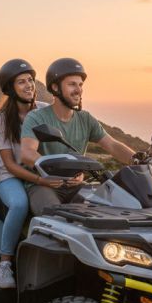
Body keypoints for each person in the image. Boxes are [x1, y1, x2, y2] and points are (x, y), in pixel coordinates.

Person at [20, 57, 136, 216]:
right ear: (55, 87)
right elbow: (27, 153)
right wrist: (59, 170)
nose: (79, 89)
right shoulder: (36, 117)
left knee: (107, 212)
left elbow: (112, 145)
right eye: (72, 84)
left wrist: (137, 160)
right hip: (44, 185)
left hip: (76, 185)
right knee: (55, 218)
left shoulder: (85, 119)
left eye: (80, 85)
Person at [0, 58, 61, 288]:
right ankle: (4, 264)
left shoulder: (42, 110)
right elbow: (9, 165)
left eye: (30, 80)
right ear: (10, 88)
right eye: (21, 82)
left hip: (39, 173)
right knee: (20, 204)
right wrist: (42, 180)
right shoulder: (1, 120)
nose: (29, 85)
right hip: (11, 178)